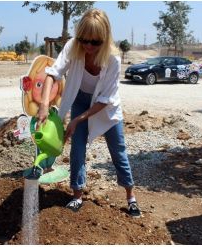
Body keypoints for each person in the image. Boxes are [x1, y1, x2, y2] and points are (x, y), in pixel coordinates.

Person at [36, 9, 141, 218]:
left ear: (104, 39)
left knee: (118, 151)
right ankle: (77, 195)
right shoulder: (72, 47)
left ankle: (131, 197)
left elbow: (105, 100)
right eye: (84, 40)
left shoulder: (113, 60)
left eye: (95, 42)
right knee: (77, 149)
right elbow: (52, 74)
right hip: (80, 100)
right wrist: (44, 105)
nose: (88, 46)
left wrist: (77, 119)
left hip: (106, 108)